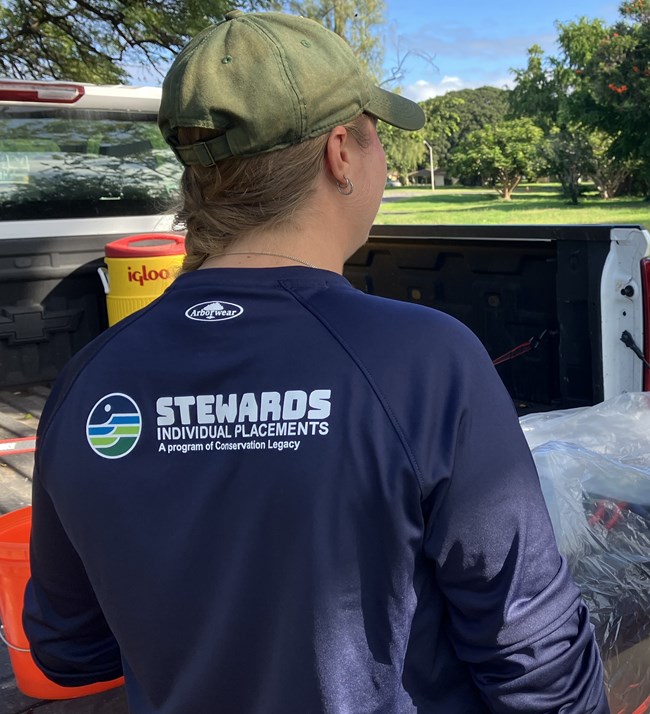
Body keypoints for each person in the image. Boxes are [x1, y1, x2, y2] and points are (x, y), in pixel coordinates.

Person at [23, 10, 610, 714]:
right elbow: (535, 658)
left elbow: (67, 648)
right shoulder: (426, 360)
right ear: (340, 153)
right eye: (378, 139)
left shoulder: (89, 378)